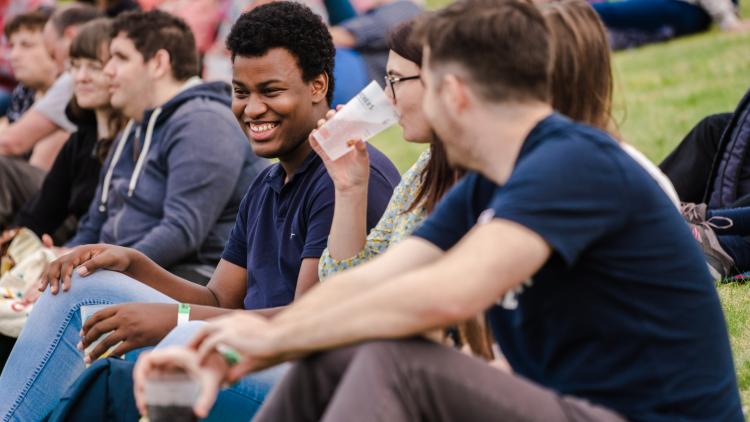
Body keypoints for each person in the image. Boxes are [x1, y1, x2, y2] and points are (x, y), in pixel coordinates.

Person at [132, 1, 741, 421]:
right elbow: (378, 278)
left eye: (403, 87)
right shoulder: (489, 181)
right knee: (341, 353)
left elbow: (445, 296)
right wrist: (231, 334)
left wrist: (255, 343)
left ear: (453, 93)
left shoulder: (574, 164)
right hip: (572, 406)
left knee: (394, 361)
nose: (392, 104)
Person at [0, 3, 399, 420]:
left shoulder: (345, 174)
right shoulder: (267, 183)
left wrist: (174, 319)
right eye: (241, 92)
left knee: (185, 338)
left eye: (271, 91)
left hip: (303, 377)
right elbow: (219, 297)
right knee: (82, 283)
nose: (253, 108)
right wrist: (132, 263)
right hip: (235, 345)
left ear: (317, 86)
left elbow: (306, 321)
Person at [62, 9, 267, 282]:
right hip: (131, 272)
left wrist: (97, 273)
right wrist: (65, 258)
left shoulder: (203, 122)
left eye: (120, 58)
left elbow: (181, 232)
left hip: (190, 279)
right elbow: (96, 220)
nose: (108, 70)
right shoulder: (138, 123)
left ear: (158, 63)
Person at [0, 17, 125, 369]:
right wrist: (19, 245)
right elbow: (40, 211)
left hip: (95, 264)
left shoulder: (134, 143)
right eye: (75, 67)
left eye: (93, 67)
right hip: (63, 254)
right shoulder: (80, 139)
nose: (81, 77)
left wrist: (60, 251)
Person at [0, 4, 103, 229]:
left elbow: (12, 143)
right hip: (57, 207)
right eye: (12, 45)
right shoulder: (24, 92)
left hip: (71, 216)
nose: (14, 55)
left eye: (27, 45)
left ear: (70, 36)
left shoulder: (71, 84)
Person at [591, 0, 750, 49]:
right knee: (614, 15)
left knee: (611, 12)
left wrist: (729, 21)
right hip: (690, 11)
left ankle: (568, 13)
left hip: (685, 8)